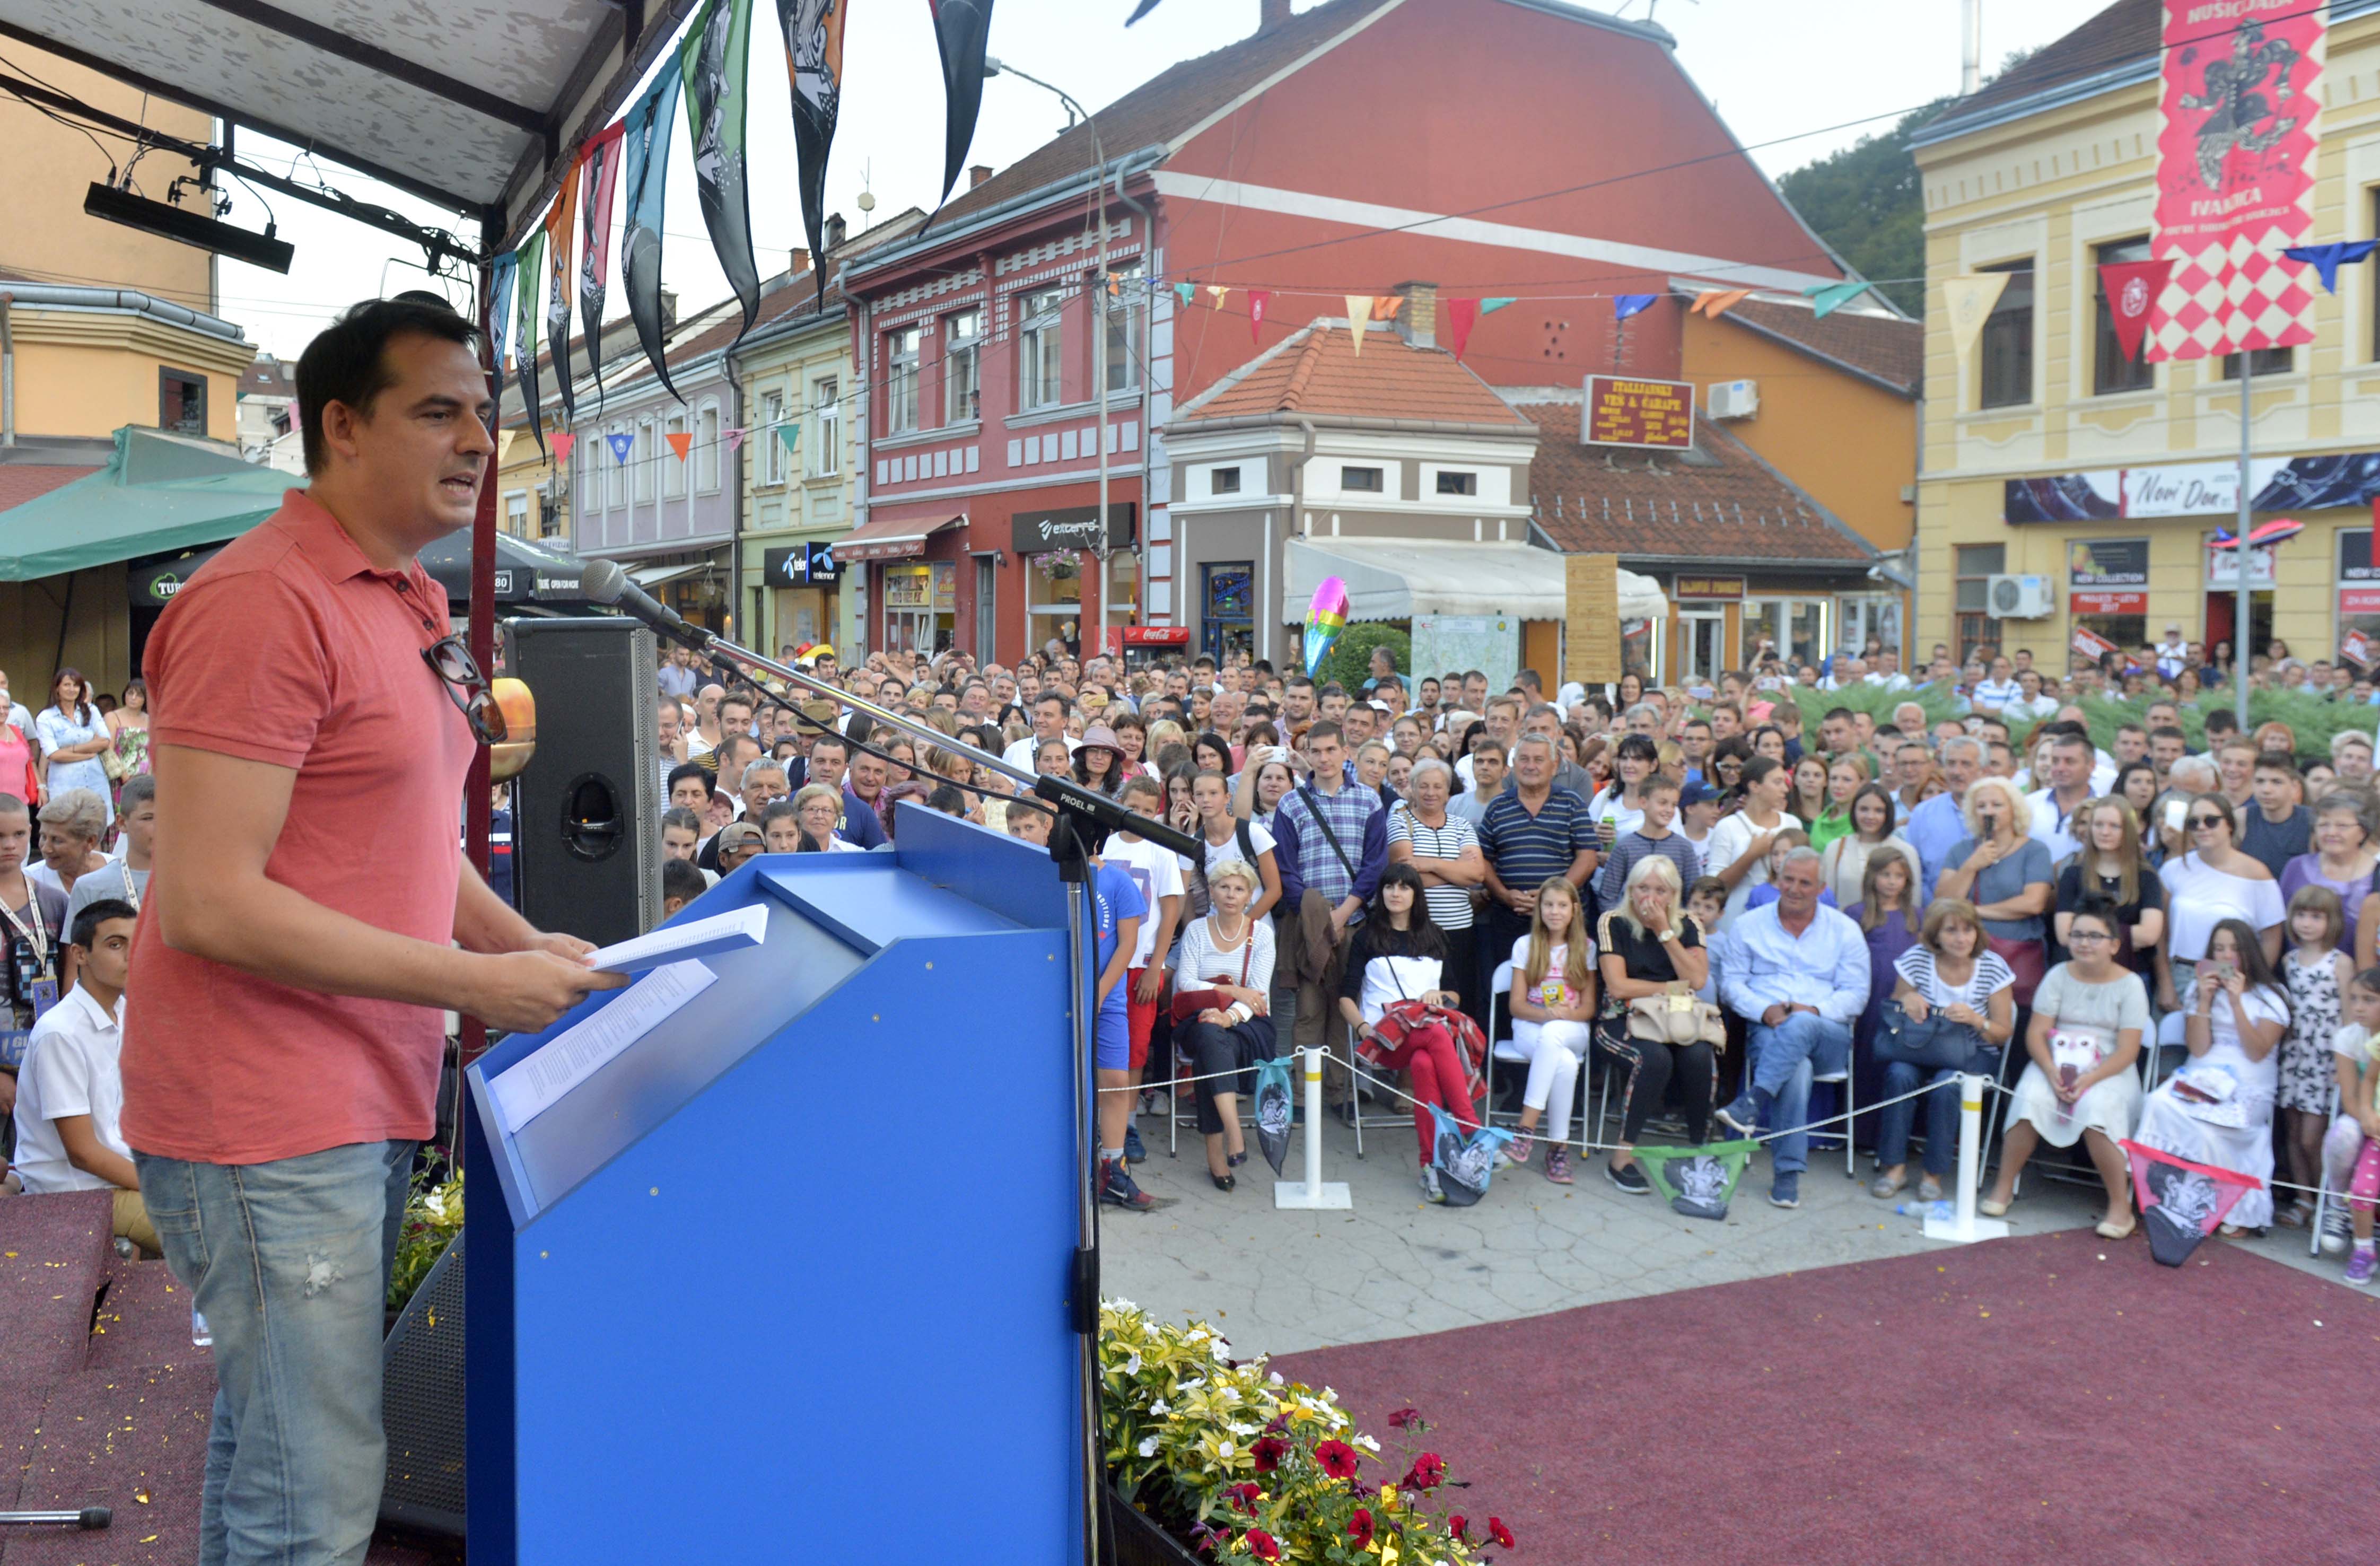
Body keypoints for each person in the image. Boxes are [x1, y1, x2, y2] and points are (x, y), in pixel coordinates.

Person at [124, 297, 622, 1559]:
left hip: (350, 1090)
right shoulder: (261, 605)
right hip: (266, 1113)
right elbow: (212, 900)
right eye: (438, 412)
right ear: (341, 426)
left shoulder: (402, 597)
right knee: (315, 1490)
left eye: (483, 414)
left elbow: (401, 842)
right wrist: (472, 982)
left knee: (277, 1452)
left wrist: (518, 948)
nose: (478, 442)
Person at [1715, 849, 1872, 1208]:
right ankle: (1787, 1176)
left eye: (1805, 882)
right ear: (1777, 879)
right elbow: (1731, 984)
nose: (1795, 889)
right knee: (1795, 1069)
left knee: (1802, 1022)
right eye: (1788, 879)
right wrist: (1763, 1010)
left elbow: (1857, 994)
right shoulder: (1749, 925)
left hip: (1828, 1034)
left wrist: (1814, 1011)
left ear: (1821, 887)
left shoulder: (1844, 930)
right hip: (1769, 1028)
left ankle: (1753, 1100)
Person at [1983, 900, 2148, 1235]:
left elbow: (2128, 1050)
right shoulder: (2057, 976)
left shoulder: (2131, 985)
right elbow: (2036, 1033)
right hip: (2056, 1060)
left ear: (2114, 945)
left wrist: (2089, 1079)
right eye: (2078, 935)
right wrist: (2049, 1070)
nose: (2084, 943)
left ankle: (2120, 1207)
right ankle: (2004, 1185)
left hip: (2109, 1067)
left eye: (2095, 936)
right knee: (2031, 1096)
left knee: (2098, 1107)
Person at [10, 899, 157, 1252]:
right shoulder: (61, 1033)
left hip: (122, 1174)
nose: (131, 955)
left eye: (137, 942)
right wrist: (163, 1185)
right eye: (115, 944)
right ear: (79, 954)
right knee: (213, 1232)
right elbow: (83, 1153)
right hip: (78, 1191)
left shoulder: (125, 1011)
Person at [2134, 918, 2289, 1233]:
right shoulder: (2199, 989)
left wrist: (2236, 1003)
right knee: (2157, 1103)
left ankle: (2223, 1208)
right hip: (2202, 1076)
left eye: (2234, 949)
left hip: (2249, 1084)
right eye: (2219, 949)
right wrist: (2205, 1000)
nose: (2226, 956)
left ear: (2249, 952)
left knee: (2209, 1130)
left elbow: (2257, 1052)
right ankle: (2156, 1197)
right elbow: (2198, 1048)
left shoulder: (2272, 996)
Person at [1337, 863, 1475, 1204]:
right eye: (1389, 887)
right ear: (1381, 892)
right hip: (1383, 1038)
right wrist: (1364, 1029)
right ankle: (1470, 1128)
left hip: (1425, 1034)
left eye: (1404, 887)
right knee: (1437, 1035)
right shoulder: (1367, 937)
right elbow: (1346, 996)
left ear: (1416, 894)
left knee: (1426, 1062)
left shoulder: (1434, 935)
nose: (1395, 893)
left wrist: (1439, 996)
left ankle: (1430, 1166)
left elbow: (1455, 995)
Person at [1871, 898, 2015, 1200]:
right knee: (1899, 1074)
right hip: (1920, 1047)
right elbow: (1895, 1010)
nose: (1961, 938)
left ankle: (1933, 1174)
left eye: (1967, 930)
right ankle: (1894, 1167)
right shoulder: (1918, 958)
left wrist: (1976, 1019)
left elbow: (2003, 1034)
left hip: (1975, 1053)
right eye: (1951, 931)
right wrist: (1907, 1000)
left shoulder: (1992, 967)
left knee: (1947, 1083)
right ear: (1935, 934)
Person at [1594, 856, 1714, 1193]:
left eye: (1661, 890)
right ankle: (1622, 1158)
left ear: (1674, 893)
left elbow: (1698, 980)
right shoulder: (1613, 921)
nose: (1650, 898)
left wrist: (1664, 932)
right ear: (1630, 890)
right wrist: (1672, 987)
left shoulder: (1689, 924)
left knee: (1700, 1055)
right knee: (1654, 1059)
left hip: (1676, 1019)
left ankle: (1699, 1149)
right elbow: (1618, 986)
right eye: (1643, 888)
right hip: (1623, 1018)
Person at [1171, 857, 1276, 1189]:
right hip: (1197, 1017)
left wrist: (1228, 1016)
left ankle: (1218, 1154)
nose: (1231, 895)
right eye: (1224, 887)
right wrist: (1230, 990)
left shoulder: (1262, 935)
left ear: (1250, 896)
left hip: (1246, 1024)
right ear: (1213, 893)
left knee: (1211, 1048)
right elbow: (1186, 982)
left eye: (1239, 889)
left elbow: (1258, 997)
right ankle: (1235, 1133)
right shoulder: (1196, 930)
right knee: (1208, 1034)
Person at [1107, 776, 1186, 1167]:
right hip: (1108, 960)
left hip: (1141, 963)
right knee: (1107, 1046)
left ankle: (1129, 1123)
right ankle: (1103, 1120)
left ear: (1157, 812)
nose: (1138, 815)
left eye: (1146, 810)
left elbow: (1170, 911)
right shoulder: (1106, 843)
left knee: (1136, 1046)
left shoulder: (1161, 849)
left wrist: (1157, 964)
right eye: (1132, 807)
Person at [2157, 793, 2286, 1025]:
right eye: (2194, 822)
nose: (2202, 827)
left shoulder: (2257, 873)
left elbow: (2271, 938)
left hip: (2231, 974)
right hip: (2182, 972)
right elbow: (2161, 935)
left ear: (2229, 825)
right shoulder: (2173, 869)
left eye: (2211, 821)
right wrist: (2166, 983)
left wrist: (2250, 984)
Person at [1501, 877, 1597, 1185]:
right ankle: (1558, 1150)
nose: (1555, 912)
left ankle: (1525, 1130)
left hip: (1572, 1028)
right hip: (1530, 1025)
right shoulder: (1525, 945)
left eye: (1562, 905)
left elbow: (1588, 1008)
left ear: (1574, 909)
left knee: (1555, 1033)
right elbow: (1516, 1006)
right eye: (1549, 905)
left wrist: (1564, 1015)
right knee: (1564, 1062)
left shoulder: (1586, 948)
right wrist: (1545, 1014)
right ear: (1539, 909)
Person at [1933, 777, 2054, 1007]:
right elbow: (1944, 903)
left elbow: (2033, 903)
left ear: (2014, 809)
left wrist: (1974, 911)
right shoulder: (1961, 851)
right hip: (1964, 957)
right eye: (1981, 806)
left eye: (1997, 805)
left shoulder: (2035, 851)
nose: (1989, 812)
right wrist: (1971, 866)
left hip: (2017, 955)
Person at [1386, 758, 1485, 1033]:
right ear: (1413, 788)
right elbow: (1405, 878)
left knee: (1459, 1001)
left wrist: (1427, 864)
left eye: (1438, 786)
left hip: (1460, 930)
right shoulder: (1400, 822)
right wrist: (1457, 871)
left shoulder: (1462, 825)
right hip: (1419, 930)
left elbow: (1478, 874)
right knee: (1422, 1004)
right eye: (1424, 786)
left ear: (1448, 791)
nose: (1431, 793)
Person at [2276, 885, 2351, 1229]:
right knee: (2293, 1131)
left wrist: (2345, 1063)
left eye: (2316, 916)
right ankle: (2304, 1198)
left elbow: (2349, 1017)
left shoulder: (2341, 962)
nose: (2307, 923)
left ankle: (2330, 1201)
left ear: (2331, 921)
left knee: (2312, 1136)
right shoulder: (2289, 961)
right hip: (2294, 1053)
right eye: (2301, 915)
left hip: (2324, 1058)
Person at [2051, 798, 2165, 978]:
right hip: (2082, 974)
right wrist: (2127, 936)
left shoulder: (2146, 876)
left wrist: (2085, 935)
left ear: (2128, 831)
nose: (2105, 832)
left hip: (2133, 974)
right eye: (2099, 825)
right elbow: (2064, 935)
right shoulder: (2073, 875)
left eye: (2115, 826)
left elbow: (2150, 934)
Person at [2318, 967, 2380, 1278]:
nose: (2358, 1007)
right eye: (2354, 999)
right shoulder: (2347, 1038)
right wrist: (2370, 1122)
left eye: (2368, 1000)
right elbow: (2351, 1097)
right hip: (2364, 1118)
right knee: (2343, 1133)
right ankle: (2338, 1205)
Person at [1705, 755, 1802, 920]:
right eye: (1777, 782)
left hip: (1782, 912)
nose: (1785, 789)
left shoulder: (1792, 824)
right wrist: (1751, 855)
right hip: (1737, 913)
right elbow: (1714, 885)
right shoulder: (1728, 827)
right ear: (1755, 786)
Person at [66, 774, 155, 933]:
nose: (161, 825)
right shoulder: (91, 887)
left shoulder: (194, 881)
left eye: (168, 817)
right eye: (148, 818)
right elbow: (77, 948)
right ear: (122, 823)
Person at [1815, 782, 1912, 912]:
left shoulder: (1905, 851)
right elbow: (1825, 898)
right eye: (1864, 809)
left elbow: (1912, 902)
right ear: (1854, 811)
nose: (1870, 816)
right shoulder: (1836, 848)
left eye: (1879, 811)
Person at [35, 669, 112, 825]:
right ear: (57, 688)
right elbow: (54, 755)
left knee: (96, 827)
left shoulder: (91, 710)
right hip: (65, 785)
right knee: (67, 828)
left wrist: (70, 750)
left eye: (76, 685)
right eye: (67, 685)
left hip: (95, 781)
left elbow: (105, 741)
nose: (72, 689)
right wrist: (88, 752)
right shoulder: (46, 717)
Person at [2238, 752, 2314, 880]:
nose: (2266, 790)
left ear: (2295, 787)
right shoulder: (2242, 819)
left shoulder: (2312, 820)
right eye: (2260, 781)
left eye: (2277, 782)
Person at [26, 788, 110, 902]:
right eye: (44, 837)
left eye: (57, 840)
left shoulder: (120, 873)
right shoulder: (30, 881)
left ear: (90, 841)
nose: (46, 849)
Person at [105, 677, 153, 799]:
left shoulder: (151, 720)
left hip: (145, 777)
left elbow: (154, 750)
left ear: (146, 699)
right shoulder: (112, 717)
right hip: (120, 775)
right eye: (130, 693)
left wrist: (148, 776)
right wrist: (124, 776)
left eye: (139, 695)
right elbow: (108, 750)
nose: (133, 698)